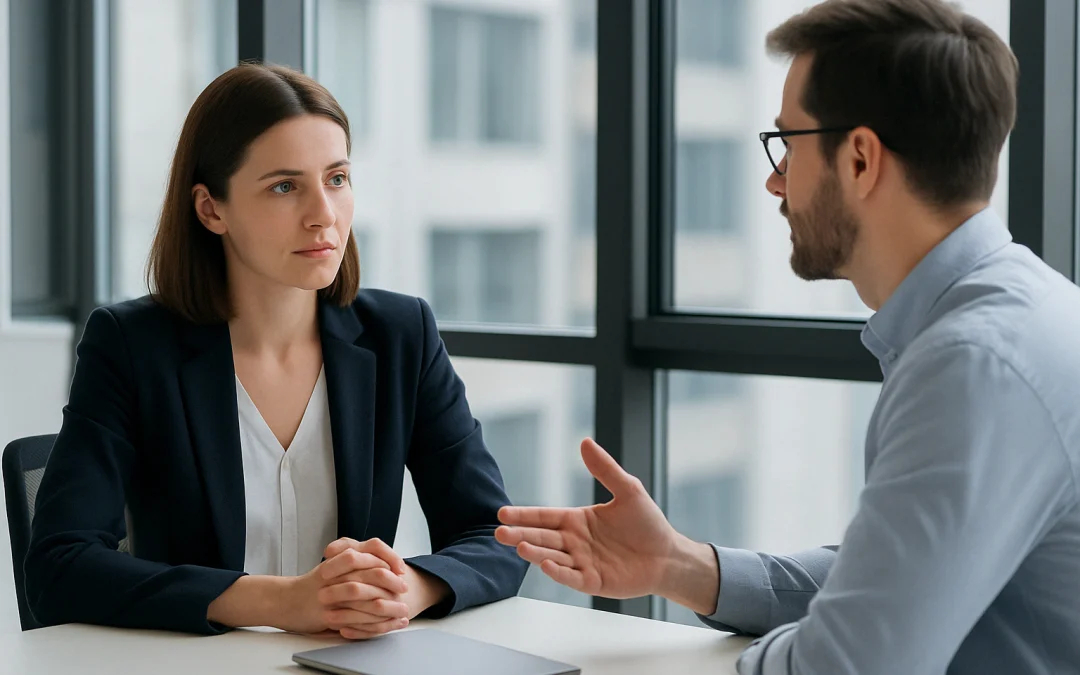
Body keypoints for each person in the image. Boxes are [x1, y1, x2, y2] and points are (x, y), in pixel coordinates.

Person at [496, 0, 1080, 672]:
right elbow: (887, 582)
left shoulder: (975, 364)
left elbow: (848, 660)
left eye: (788, 145)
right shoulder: (1011, 316)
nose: (775, 181)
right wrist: (680, 564)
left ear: (860, 159)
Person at [25, 63, 527, 639]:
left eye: (337, 178)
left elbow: (497, 535)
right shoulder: (132, 345)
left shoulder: (400, 333)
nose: (324, 214)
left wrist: (408, 589)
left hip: (347, 662)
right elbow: (59, 567)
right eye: (284, 186)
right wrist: (281, 602)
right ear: (212, 209)